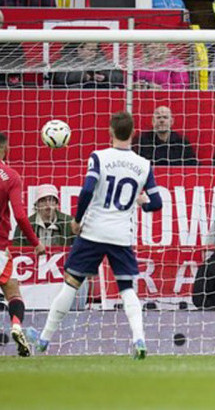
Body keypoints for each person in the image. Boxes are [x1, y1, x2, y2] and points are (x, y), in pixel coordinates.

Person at [27, 111, 163, 359]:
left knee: (71, 282)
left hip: (94, 231)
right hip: (121, 234)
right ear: (133, 133)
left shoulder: (99, 157)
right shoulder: (144, 165)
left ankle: (44, 339)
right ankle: (140, 339)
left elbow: (88, 189)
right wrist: (141, 201)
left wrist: (77, 221)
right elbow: (156, 203)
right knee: (126, 287)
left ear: (110, 132)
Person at [0, 132, 46, 356]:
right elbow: (19, 215)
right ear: (5, 148)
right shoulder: (10, 176)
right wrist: (35, 242)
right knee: (13, 292)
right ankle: (16, 326)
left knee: (10, 284)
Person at [133, 106, 198, 166]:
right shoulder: (141, 142)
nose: (162, 120)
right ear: (153, 121)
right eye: (158, 117)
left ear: (171, 121)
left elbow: (193, 165)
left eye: (165, 117)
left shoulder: (182, 142)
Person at [51, 42, 124, 89]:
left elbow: (119, 77)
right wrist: (84, 76)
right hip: (73, 96)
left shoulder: (102, 61)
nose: (93, 53)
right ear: (79, 50)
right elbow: (59, 77)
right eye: (90, 50)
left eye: (95, 50)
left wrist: (105, 76)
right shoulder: (65, 61)